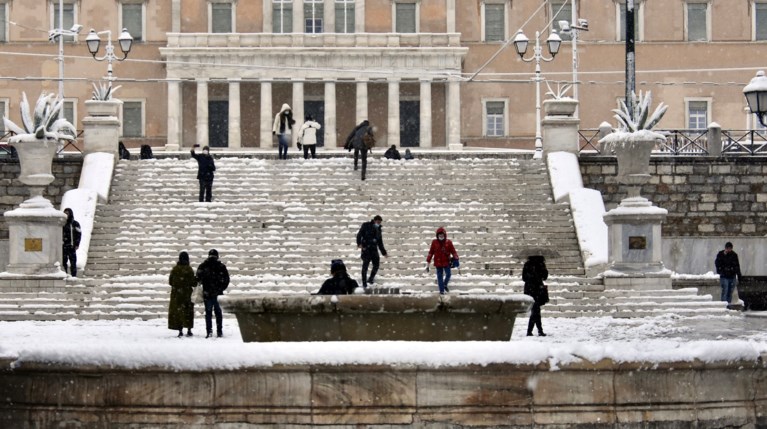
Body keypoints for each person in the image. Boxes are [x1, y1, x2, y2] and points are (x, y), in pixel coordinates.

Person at [196, 249, 230, 338]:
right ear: (217, 256)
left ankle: (209, 331)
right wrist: (221, 288)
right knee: (218, 313)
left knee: (208, 313)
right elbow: (226, 279)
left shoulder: (203, 266)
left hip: (208, 293)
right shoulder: (221, 266)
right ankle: (219, 331)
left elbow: (198, 278)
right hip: (218, 293)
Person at [168, 251, 196, 337]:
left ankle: (180, 330)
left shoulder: (175, 269)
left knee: (178, 312)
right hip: (187, 294)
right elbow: (193, 283)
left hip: (177, 295)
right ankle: (189, 329)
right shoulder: (189, 269)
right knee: (188, 312)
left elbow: (170, 282)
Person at [356, 215, 387, 288]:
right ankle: (364, 283)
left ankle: (370, 279)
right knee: (365, 266)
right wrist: (359, 243)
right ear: (374, 220)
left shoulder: (378, 229)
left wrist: (384, 252)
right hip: (366, 249)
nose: (378, 224)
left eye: (380, 223)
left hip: (374, 249)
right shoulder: (366, 225)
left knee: (376, 264)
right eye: (378, 222)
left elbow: (380, 242)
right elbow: (359, 234)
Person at [426, 227, 459, 295]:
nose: (441, 236)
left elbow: (453, 251)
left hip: (446, 261)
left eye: (442, 235)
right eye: (439, 235)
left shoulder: (448, 242)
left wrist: (456, 258)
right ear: (437, 236)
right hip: (438, 262)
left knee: (448, 274)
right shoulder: (434, 242)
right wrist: (428, 262)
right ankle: (441, 291)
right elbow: (431, 252)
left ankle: (445, 284)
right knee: (439, 276)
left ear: (444, 235)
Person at [523, 255, 549, 337]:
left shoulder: (528, 264)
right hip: (537, 290)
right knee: (536, 311)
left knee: (535, 311)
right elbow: (544, 277)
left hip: (531, 290)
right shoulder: (540, 264)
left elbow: (524, 278)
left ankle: (533, 331)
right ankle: (537, 331)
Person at [62, 208, 82, 277]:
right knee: (63, 262)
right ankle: (65, 275)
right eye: (65, 213)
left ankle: (74, 276)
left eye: (67, 213)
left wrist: (77, 244)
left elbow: (79, 234)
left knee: (73, 262)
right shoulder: (62, 223)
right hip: (63, 246)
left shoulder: (75, 223)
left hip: (71, 246)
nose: (66, 215)